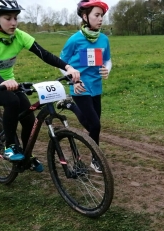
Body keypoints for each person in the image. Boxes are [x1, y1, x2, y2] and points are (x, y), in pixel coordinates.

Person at [0, 0, 80, 171]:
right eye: (8, 18)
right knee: (12, 102)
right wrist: (2, 82)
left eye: (16, 18)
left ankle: (26, 156)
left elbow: (43, 54)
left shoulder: (19, 36)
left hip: (10, 84)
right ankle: (9, 147)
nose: (14, 22)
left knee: (29, 119)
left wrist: (67, 67)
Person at [57, 0, 112, 173]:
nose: (100, 19)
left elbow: (108, 60)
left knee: (92, 125)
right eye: (97, 15)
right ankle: (96, 159)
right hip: (80, 87)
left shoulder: (104, 39)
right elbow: (60, 62)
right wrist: (72, 78)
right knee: (95, 126)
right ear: (84, 16)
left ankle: (70, 106)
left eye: (102, 15)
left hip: (96, 86)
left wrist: (107, 69)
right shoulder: (75, 40)